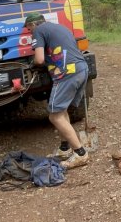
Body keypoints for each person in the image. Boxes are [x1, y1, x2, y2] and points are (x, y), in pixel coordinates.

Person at [24, 13, 90, 168]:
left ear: (34, 25)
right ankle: (64, 148)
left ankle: (81, 154)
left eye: (29, 29)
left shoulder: (39, 31)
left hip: (67, 73)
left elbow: (39, 59)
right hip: (81, 68)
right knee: (62, 110)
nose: (30, 33)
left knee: (54, 116)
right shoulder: (60, 27)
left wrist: (32, 64)